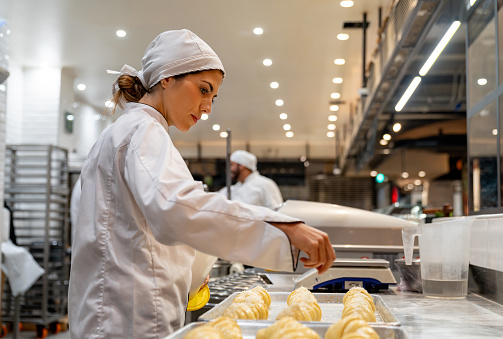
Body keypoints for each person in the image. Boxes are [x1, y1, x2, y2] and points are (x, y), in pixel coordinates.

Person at [68, 29, 335, 338]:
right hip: (126, 320)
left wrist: (194, 270)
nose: (208, 106)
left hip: (117, 315)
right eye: (203, 89)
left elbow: (142, 229)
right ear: (167, 78)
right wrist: (284, 230)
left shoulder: (128, 131)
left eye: (213, 96)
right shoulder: (142, 132)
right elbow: (178, 209)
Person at [219, 150, 284, 210]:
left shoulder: (265, 184)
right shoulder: (234, 188)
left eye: (232, 165)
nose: (228, 169)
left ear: (242, 166)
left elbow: (276, 212)